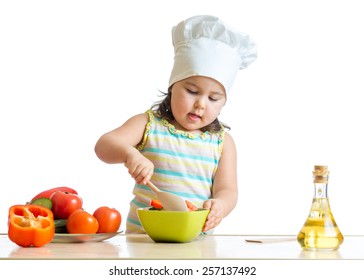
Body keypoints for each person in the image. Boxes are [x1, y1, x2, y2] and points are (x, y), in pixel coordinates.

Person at [94, 15, 257, 233]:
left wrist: (221, 206)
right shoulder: (148, 124)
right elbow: (104, 145)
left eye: (213, 98)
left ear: (223, 102)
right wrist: (129, 154)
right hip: (144, 240)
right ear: (173, 87)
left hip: (196, 241)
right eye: (191, 91)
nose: (200, 104)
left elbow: (228, 190)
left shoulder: (223, 143)